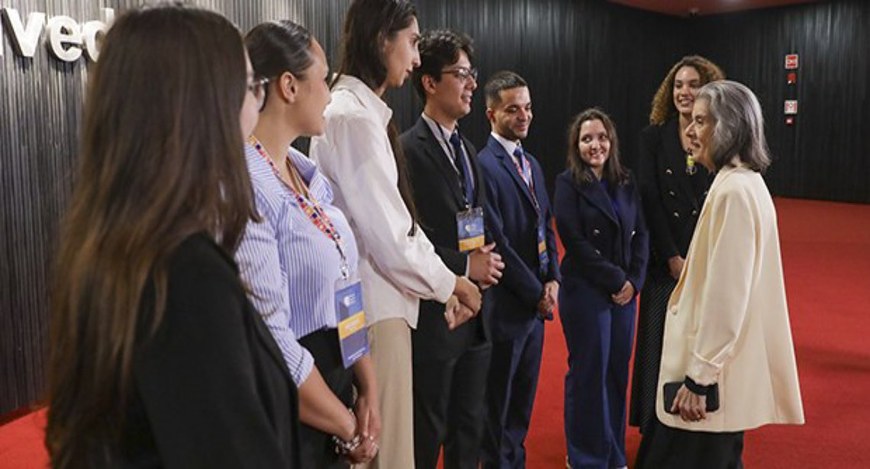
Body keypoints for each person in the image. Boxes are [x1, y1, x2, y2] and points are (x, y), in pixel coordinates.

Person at [44, 5, 300, 467]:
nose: (257, 103)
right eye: (248, 87)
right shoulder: (187, 274)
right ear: (203, 106)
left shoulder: (116, 243)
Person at [310, 1, 482, 467]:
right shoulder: (353, 117)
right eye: (411, 42)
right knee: (387, 453)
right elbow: (389, 236)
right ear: (381, 39)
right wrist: (453, 283)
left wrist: (444, 286)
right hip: (376, 303)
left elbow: (399, 225)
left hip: (386, 299)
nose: (414, 57)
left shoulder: (363, 113)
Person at [636, 80, 804, 468]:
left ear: (728, 127)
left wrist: (699, 377)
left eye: (700, 121)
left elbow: (727, 296)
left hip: (710, 382)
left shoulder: (733, 192)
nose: (690, 131)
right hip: (719, 374)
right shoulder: (745, 183)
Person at [237, 20, 378, 467]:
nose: (329, 94)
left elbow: (345, 281)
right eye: (324, 80)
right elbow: (272, 341)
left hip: (335, 377)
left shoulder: (306, 174)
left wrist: (368, 384)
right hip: (293, 402)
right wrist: (347, 425)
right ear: (288, 87)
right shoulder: (248, 186)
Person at [400, 30, 504, 469]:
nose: (471, 84)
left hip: (475, 314)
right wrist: (463, 265)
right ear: (429, 82)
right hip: (435, 316)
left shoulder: (469, 149)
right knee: (428, 431)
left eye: (471, 74)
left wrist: (482, 265)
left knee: (470, 427)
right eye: (460, 74)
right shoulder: (405, 150)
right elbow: (406, 236)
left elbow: (472, 221)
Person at [630, 55, 725, 434]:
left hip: (706, 262)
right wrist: (671, 256)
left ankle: (695, 429)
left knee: (698, 344)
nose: (685, 92)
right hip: (664, 261)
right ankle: (655, 428)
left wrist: (698, 260)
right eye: (679, 85)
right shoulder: (653, 137)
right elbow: (649, 197)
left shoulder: (718, 138)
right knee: (657, 344)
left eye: (694, 84)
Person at [554, 108, 648, 469]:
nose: (595, 145)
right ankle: (585, 457)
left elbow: (642, 234)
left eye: (602, 137)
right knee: (588, 374)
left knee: (615, 374)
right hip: (586, 291)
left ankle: (613, 453)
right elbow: (574, 242)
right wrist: (616, 280)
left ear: (612, 141)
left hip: (624, 295)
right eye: (587, 138)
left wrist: (634, 282)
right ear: (576, 146)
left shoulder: (625, 180)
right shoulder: (567, 183)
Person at [477, 71, 561, 469]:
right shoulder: (484, 166)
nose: (524, 116)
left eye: (527, 107)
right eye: (513, 109)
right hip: (508, 307)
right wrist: (536, 292)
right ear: (491, 114)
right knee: (498, 408)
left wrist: (554, 279)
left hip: (535, 306)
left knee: (521, 408)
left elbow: (546, 223)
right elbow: (497, 242)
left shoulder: (533, 163)